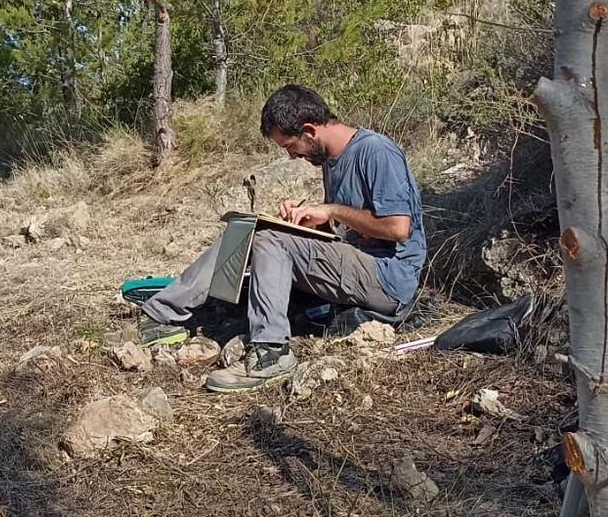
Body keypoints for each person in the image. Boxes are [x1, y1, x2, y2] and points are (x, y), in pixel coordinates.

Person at [138, 84, 426, 392]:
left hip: (389, 278)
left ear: (309, 130)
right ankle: (160, 315)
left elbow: (398, 229)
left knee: (271, 239)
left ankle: (271, 351)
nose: (291, 156)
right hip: (359, 265)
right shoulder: (331, 160)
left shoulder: (376, 151)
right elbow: (348, 234)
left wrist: (331, 210)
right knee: (250, 228)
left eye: (290, 146)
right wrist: (310, 222)